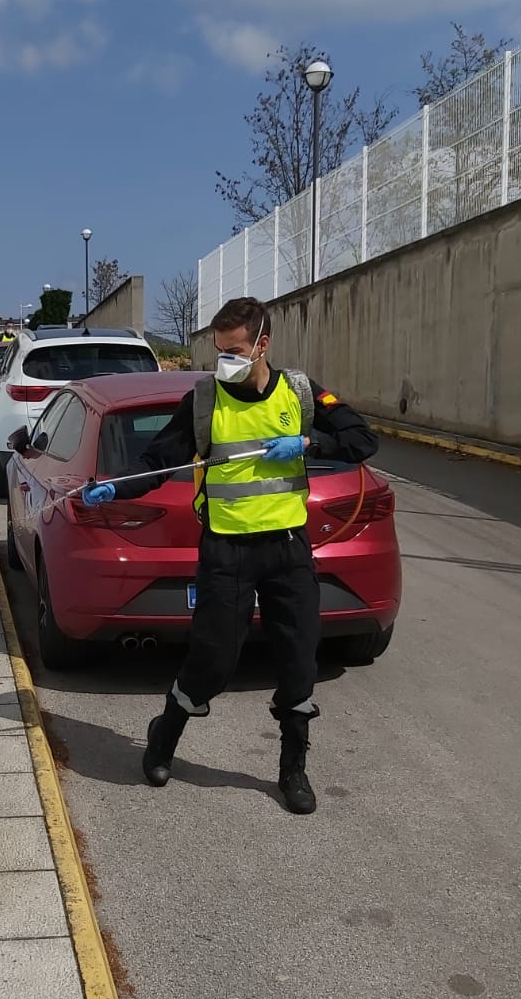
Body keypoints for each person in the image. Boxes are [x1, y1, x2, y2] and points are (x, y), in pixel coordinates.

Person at [80, 296, 379, 814]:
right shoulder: (203, 401)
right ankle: (164, 735)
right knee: (213, 661)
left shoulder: (301, 393)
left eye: (236, 350)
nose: (227, 361)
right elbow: (159, 460)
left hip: (287, 550)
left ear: (263, 344)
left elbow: (361, 441)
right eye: (220, 351)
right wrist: (116, 488)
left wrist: (305, 443)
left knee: (297, 660)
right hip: (227, 550)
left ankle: (293, 769)